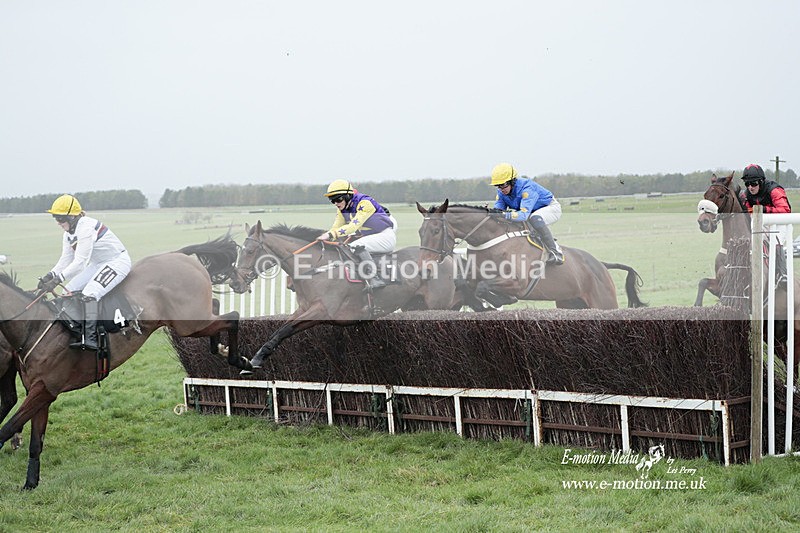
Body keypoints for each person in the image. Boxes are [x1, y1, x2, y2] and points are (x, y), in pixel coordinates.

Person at [39, 194, 132, 350]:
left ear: (72, 216)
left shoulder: (86, 228)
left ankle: (90, 338)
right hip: (98, 263)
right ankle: (77, 331)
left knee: (89, 293)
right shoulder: (68, 234)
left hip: (117, 261)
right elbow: (65, 259)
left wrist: (57, 279)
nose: (58, 222)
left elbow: (80, 263)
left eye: (60, 218)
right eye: (55, 218)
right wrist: (50, 275)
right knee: (68, 291)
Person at [317, 179, 397, 290]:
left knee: (354, 246)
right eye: (332, 200)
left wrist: (330, 235)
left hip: (385, 236)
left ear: (348, 196)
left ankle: (375, 278)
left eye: (338, 199)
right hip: (372, 236)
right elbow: (336, 228)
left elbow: (352, 227)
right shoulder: (342, 209)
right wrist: (327, 236)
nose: (336, 203)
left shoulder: (364, 203)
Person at [491, 162, 564, 265]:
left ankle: (556, 252)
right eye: (498, 186)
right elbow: (498, 211)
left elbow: (523, 215)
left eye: (503, 185)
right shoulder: (501, 192)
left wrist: (505, 215)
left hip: (550, 207)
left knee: (534, 218)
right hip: (531, 212)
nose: (501, 189)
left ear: (512, 181)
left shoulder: (527, 188)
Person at [738, 163, 792, 285]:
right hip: (762, 222)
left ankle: (783, 273)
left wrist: (765, 210)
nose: (750, 187)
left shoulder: (775, 190)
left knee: (775, 240)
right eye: (747, 184)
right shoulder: (746, 195)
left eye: (753, 184)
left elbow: (785, 210)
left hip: (780, 222)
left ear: (761, 182)